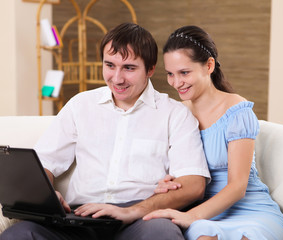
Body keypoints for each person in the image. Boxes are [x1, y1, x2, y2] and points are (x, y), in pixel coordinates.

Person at [0, 23, 211, 240]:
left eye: (129, 68)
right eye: (110, 65)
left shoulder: (174, 114)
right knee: (20, 235)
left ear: (150, 69)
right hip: (80, 217)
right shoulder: (80, 105)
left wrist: (131, 211)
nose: (117, 78)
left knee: (161, 234)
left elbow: (194, 185)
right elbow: (43, 163)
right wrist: (46, 196)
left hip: (141, 219)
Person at [143, 25, 283, 240]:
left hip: (250, 209)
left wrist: (191, 216)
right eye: (170, 74)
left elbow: (238, 187)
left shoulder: (237, 112)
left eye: (184, 72)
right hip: (206, 215)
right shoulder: (177, 115)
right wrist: (167, 181)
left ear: (209, 65)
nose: (176, 83)